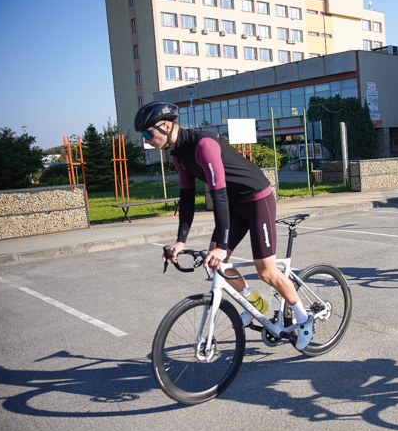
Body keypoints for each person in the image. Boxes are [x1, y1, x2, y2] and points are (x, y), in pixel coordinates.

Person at [134, 102, 314, 350]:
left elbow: (217, 196)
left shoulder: (204, 145)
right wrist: (180, 241)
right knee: (215, 264)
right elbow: (186, 199)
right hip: (234, 205)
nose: (146, 140)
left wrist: (222, 245)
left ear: (166, 126)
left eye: (147, 133)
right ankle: (256, 305)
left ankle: (304, 318)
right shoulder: (178, 156)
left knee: (266, 271)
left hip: (257, 200)